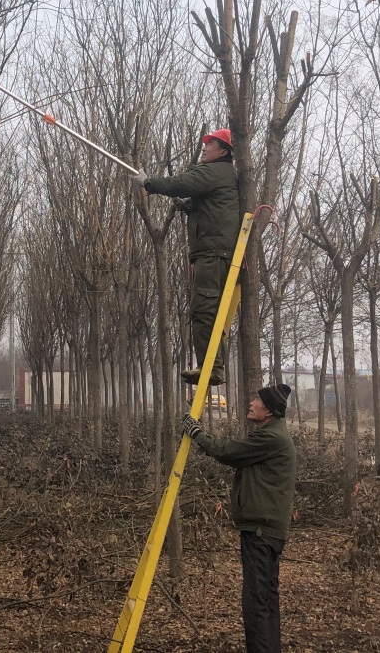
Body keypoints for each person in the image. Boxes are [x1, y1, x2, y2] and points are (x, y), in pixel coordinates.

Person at [182, 384, 296, 653]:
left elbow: (229, 451)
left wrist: (197, 433)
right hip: (265, 530)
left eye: (258, 401)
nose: (251, 403)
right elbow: (236, 456)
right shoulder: (272, 436)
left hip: (261, 532)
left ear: (269, 411)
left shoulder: (271, 437)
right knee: (266, 599)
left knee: (256, 603)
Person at [132, 128, 240, 385]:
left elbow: (181, 183)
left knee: (204, 310)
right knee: (207, 310)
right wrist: (191, 207)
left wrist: (149, 183)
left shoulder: (214, 172)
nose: (204, 147)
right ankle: (211, 365)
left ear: (223, 152)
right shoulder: (223, 176)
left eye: (210, 144)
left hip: (213, 254)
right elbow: (217, 207)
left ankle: (211, 368)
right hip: (215, 252)